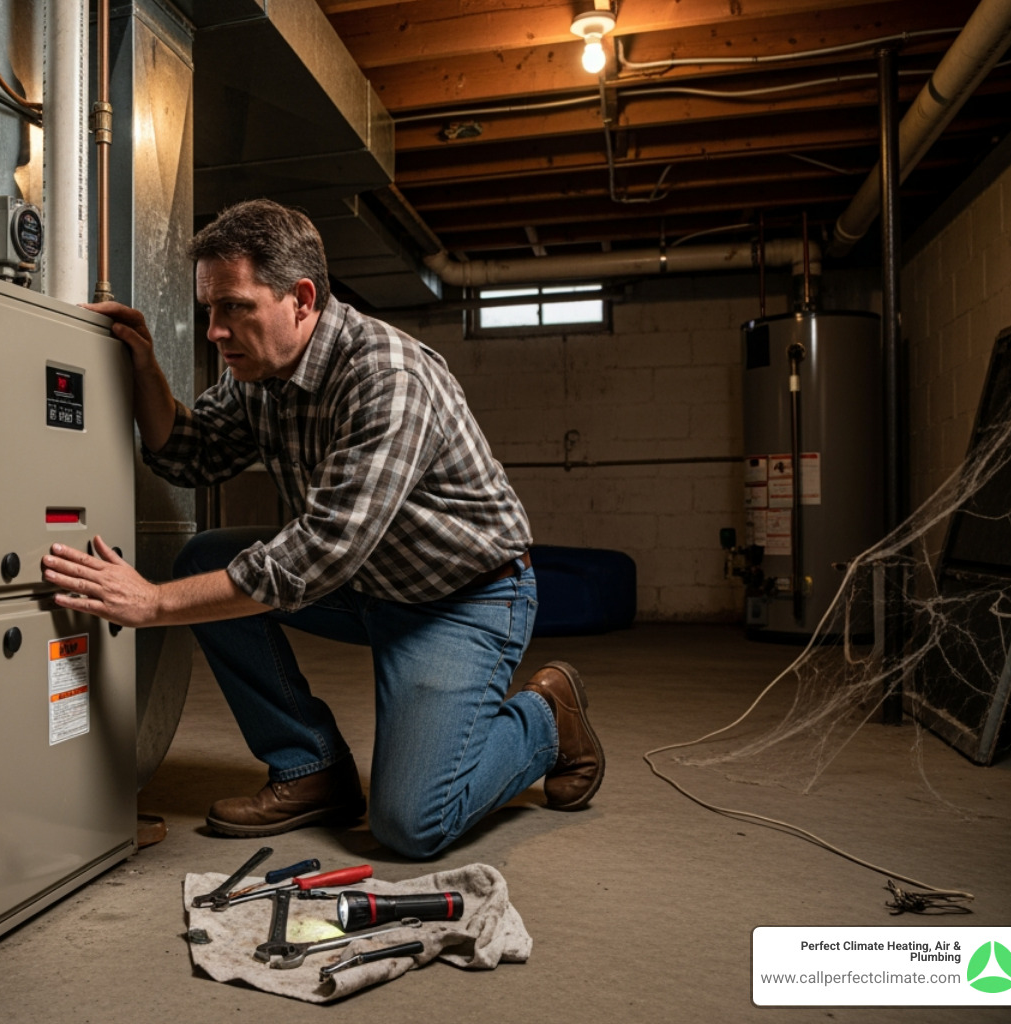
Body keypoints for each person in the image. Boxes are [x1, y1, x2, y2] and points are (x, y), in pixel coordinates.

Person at [41, 199, 603, 859]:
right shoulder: (260, 374)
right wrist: (145, 371)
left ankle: (547, 718)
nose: (215, 331)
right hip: (370, 581)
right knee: (204, 560)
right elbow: (193, 454)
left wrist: (154, 603)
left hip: (459, 600)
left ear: (302, 299)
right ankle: (311, 768)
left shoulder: (387, 377)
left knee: (412, 825)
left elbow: (320, 554)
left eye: (234, 307)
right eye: (209, 309)